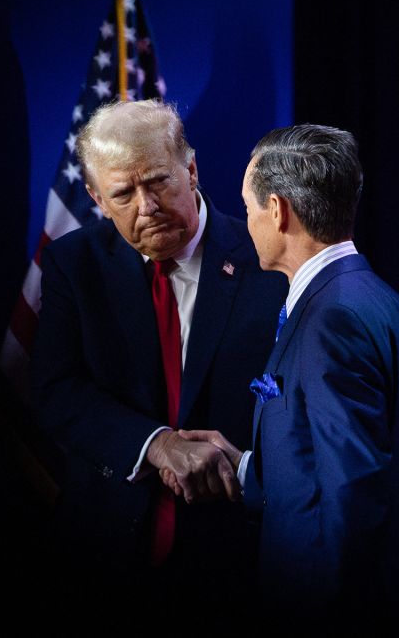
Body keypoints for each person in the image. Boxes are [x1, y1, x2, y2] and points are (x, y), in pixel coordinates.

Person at [173, 124, 399, 621]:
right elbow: (330, 464)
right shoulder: (383, 302)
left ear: (277, 211)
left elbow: (351, 497)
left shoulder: (330, 320)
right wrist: (246, 466)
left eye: (250, 206)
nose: (246, 221)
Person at [28, 99, 287, 599]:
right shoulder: (72, 264)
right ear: (96, 199)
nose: (146, 206)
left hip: (234, 554)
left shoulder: (266, 259)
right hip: (106, 549)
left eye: (158, 182)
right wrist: (158, 444)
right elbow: (54, 390)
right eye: (123, 193)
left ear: (190, 170)